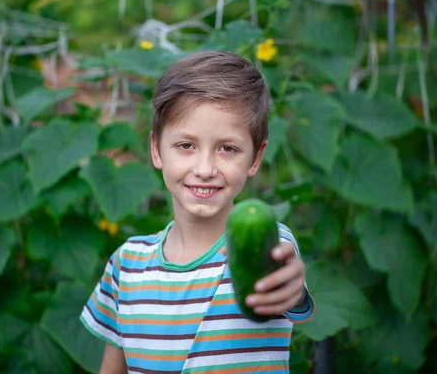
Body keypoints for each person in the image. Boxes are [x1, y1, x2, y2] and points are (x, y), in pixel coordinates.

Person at [80, 50, 315, 373]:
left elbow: (287, 283)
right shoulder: (126, 264)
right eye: (186, 145)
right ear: (156, 150)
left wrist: (292, 289)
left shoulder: (266, 245)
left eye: (227, 148)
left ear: (255, 158)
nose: (205, 169)